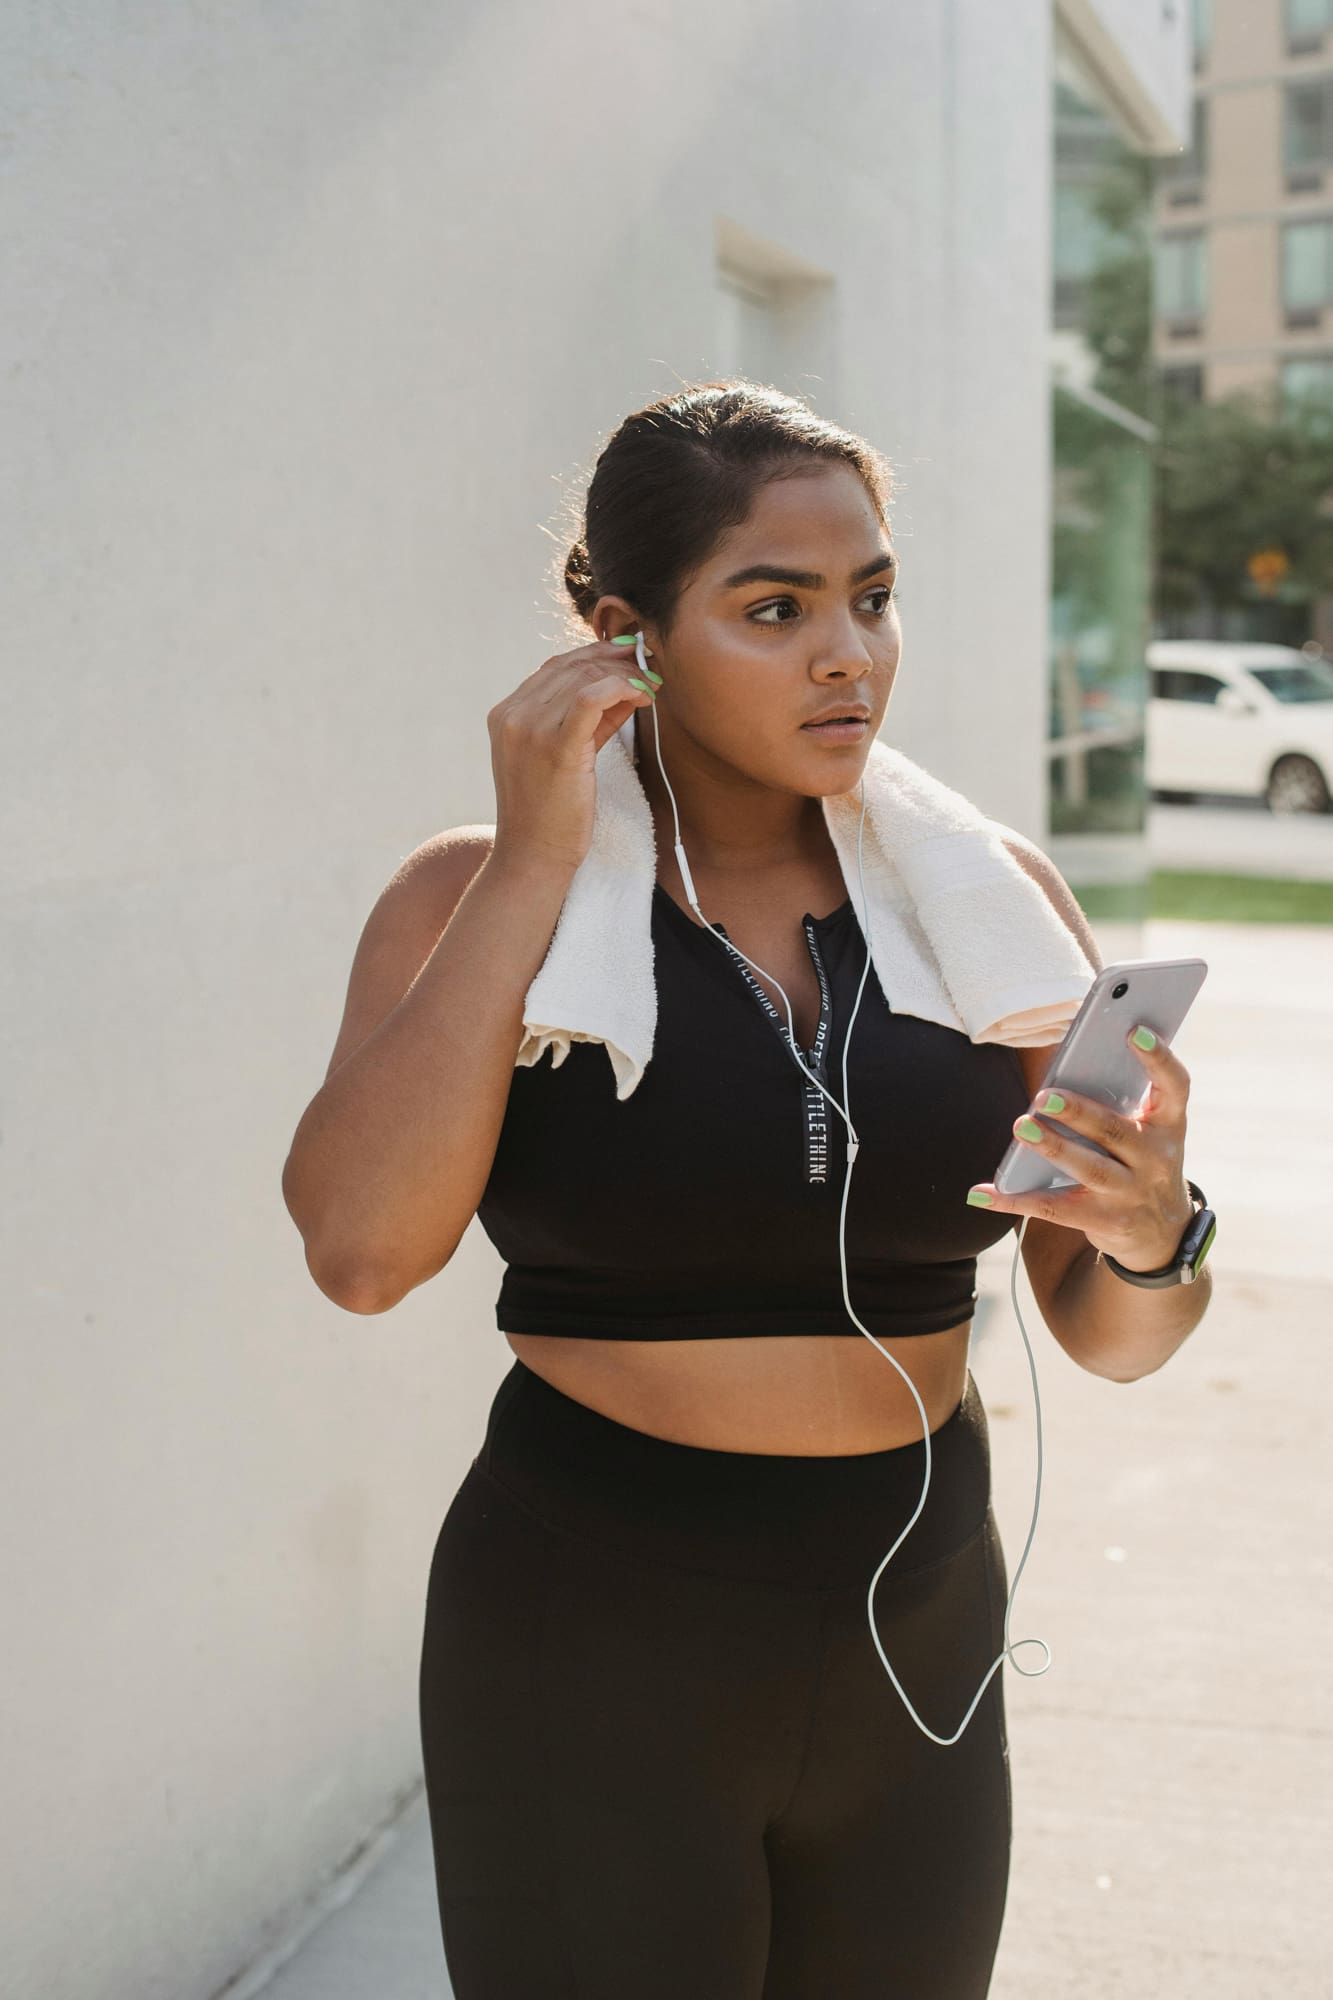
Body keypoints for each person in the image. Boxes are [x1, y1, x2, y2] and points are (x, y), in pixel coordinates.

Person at [282, 382, 1207, 1997]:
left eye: (869, 596)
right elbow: (362, 1255)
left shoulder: (987, 907)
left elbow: (1113, 1336)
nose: (846, 653)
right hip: (594, 1623)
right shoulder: (472, 896)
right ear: (623, 636)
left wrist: (1151, 1235)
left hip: (916, 1620)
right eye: (771, 609)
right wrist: (530, 861)